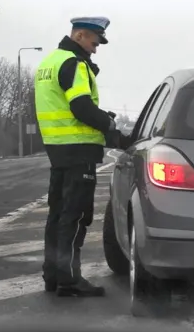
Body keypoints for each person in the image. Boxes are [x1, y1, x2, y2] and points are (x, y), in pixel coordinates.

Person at [32, 17, 128, 297]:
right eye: (94, 43)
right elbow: (81, 107)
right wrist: (110, 126)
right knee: (75, 217)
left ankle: (53, 274)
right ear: (80, 35)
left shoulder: (50, 62)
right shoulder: (74, 63)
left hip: (58, 148)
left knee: (58, 214)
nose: (95, 50)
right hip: (78, 148)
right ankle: (70, 279)